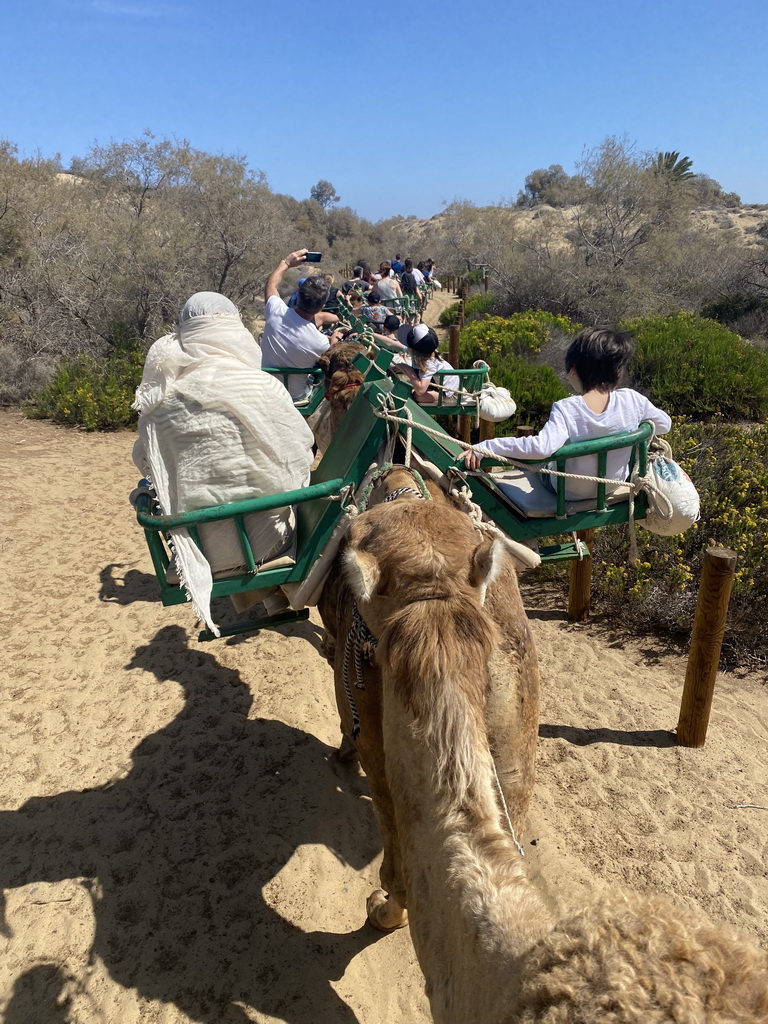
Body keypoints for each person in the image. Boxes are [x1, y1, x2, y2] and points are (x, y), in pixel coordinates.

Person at [132, 291, 315, 635]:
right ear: (234, 330)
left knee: (218, 510)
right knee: (273, 499)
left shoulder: (160, 403)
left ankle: (268, 597)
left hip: (198, 551)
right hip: (268, 542)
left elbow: (147, 462)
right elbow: (302, 453)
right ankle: (277, 594)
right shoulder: (264, 386)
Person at [461, 326, 672, 500]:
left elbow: (542, 448)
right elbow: (664, 424)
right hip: (610, 486)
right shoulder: (633, 400)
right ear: (618, 372)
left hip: (567, 493)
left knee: (541, 467)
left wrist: (487, 446)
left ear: (574, 370)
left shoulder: (567, 408)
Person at [261, 249, 339, 398]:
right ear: (321, 308)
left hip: (266, 390)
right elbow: (330, 359)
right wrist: (334, 341)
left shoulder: (275, 312)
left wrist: (286, 263)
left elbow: (271, 286)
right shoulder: (320, 342)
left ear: (298, 297)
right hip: (294, 397)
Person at [397, 324, 459, 404]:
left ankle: (441, 398)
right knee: (411, 386)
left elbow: (420, 390)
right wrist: (375, 335)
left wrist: (408, 370)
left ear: (412, 350)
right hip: (446, 388)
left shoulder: (430, 364)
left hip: (451, 395)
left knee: (417, 396)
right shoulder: (429, 354)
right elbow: (392, 344)